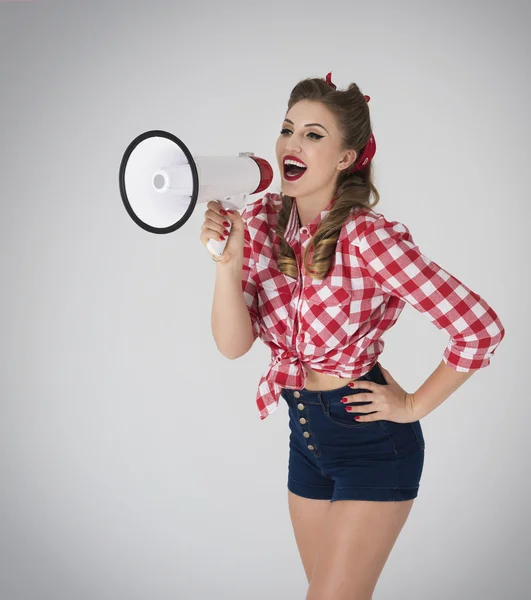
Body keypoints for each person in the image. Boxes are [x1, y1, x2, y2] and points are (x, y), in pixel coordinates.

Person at [200, 73, 505, 600]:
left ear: (346, 157)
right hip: (305, 437)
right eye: (288, 128)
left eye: (314, 135)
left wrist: (412, 404)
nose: (292, 144)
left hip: (370, 442)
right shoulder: (261, 218)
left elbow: (479, 328)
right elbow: (232, 346)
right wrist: (227, 264)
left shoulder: (367, 237)